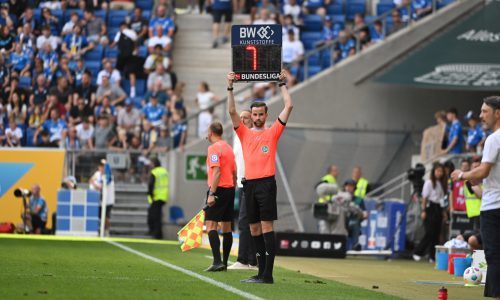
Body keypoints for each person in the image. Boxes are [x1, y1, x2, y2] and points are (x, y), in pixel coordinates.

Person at [227, 69, 293, 284]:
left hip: (266, 185)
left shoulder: (273, 131)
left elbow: (289, 106)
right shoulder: (243, 133)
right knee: (253, 228)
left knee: (266, 228)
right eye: (254, 114)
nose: (256, 117)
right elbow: (231, 111)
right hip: (249, 185)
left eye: (260, 114)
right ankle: (260, 271)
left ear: (266, 115)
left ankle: (268, 274)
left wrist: (282, 84)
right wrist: (230, 87)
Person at [451, 96, 500, 299]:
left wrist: (462, 175)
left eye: (484, 111)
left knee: (495, 257)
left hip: (493, 207)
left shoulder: (493, 139)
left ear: (498, 113)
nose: (480, 116)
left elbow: (483, 172)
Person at [204, 122, 236, 271]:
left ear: (210, 133)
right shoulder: (228, 148)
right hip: (230, 189)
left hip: (218, 190)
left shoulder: (213, 148)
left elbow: (216, 171)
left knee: (211, 225)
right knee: (227, 226)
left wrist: (212, 193)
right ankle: (224, 262)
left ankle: (217, 262)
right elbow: (234, 171)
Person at [228, 110, 257, 270]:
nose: (243, 120)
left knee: (246, 221)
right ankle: (252, 261)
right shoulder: (237, 135)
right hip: (240, 183)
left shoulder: (253, 134)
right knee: (248, 221)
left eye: (246, 117)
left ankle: (243, 260)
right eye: (242, 117)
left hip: (250, 182)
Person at [413, 162, 447, 263]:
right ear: (434, 171)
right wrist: (424, 211)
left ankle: (432, 256)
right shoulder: (429, 182)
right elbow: (425, 197)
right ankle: (418, 252)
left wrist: (444, 213)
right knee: (429, 232)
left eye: (441, 171)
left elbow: (441, 200)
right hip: (430, 207)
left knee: (436, 233)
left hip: (438, 208)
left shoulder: (441, 184)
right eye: (437, 171)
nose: (439, 173)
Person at [89, 159, 115, 236]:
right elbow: (91, 180)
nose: (102, 168)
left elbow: (101, 186)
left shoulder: (109, 176)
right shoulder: (97, 174)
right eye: (101, 166)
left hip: (108, 200)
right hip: (99, 200)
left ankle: (106, 230)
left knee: (106, 217)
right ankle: (101, 230)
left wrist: (94, 184)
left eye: (103, 166)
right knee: (100, 216)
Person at [147, 157, 169, 239]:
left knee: (154, 216)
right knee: (157, 216)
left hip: (156, 197)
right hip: (163, 196)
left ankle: (156, 234)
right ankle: (158, 234)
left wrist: (150, 195)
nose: (150, 165)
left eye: (151, 163)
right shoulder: (164, 171)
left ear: (154, 163)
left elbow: (151, 185)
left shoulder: (154, 172)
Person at [344, 179, 367, 250]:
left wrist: (362, 214)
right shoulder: (340, 198)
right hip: (341, 221)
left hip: (352, 221)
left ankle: (355, 245)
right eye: (347, 186)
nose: (348, 188)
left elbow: (365, 213)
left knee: (354, 223)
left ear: (354, 188)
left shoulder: (358, 199)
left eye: (350, 186)